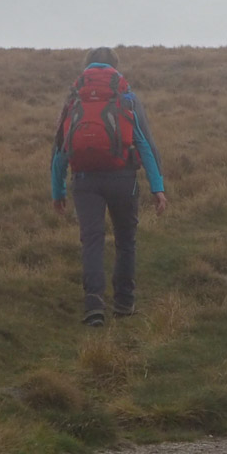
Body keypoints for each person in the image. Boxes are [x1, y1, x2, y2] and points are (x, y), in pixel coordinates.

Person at [51, 47, 167, 326]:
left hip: (84, 180)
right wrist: (157, 186)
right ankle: (124, 303)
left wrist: (58, 191)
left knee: (91, 240)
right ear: (115, 65)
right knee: (126, 239)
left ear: (87, 66)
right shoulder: (125, 96)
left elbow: (60, 148)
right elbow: (144, 142)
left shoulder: (75, 97)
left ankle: (94, 305)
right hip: (123, 178)